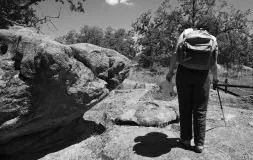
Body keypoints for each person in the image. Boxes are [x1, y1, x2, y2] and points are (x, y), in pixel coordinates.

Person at [166, 23, 219, 153]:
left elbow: (175, 54)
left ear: (196, 27)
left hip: (184, 73)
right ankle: (199, 144)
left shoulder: (185, 34)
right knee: (200, 110)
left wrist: (170, 72)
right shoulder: (212, 38)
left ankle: (185, 140)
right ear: (206, 29)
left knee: (185, 108)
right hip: (203, 76)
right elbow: (214, 63)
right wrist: (216, 79)